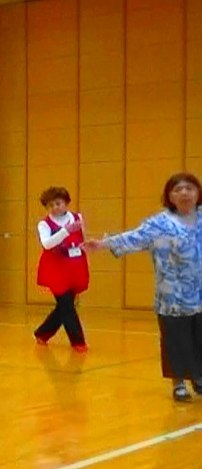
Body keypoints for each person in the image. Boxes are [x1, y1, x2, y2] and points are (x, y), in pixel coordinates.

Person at [86, 172, 202, 402]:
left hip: (200, 294)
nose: (184, 193)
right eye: (178, 189)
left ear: (198, 193)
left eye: (189, 188)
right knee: (175, 339)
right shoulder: (159, 224)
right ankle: (178, 382)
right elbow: (134, 237)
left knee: (199, 339)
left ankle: (198, 377)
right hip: (172, 296)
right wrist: (103, 244)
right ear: (169, 196)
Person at [33, 187, 89, 351]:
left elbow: (82, 238)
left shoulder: (77, 218)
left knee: (65, 305)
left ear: (66, 202)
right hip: (55, 268)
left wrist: (88, 246)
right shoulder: (44, 224)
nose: (55, 207)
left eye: (58, 203)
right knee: (66, 304)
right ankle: (78, 342)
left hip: (75, 266)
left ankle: (42, 333)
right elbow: (47, 244)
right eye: (51, 205)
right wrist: (65, 231)